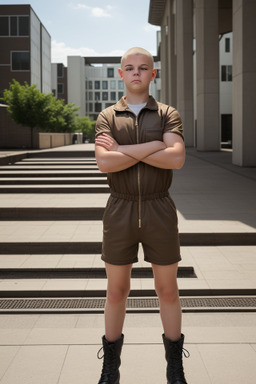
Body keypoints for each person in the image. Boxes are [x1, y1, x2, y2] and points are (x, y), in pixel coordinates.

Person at [95, 47, 188, 384]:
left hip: (158, 207)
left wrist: (122, 149)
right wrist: (154, 147)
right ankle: (110, 369)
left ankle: (174, 367)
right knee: (117, 291)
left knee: (168, 291)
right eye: (130, 68)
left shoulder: (167, 113)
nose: (136, 73)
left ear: (153, 74)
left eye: (143, 68)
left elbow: (176, 159)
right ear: (121, 73)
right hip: (119, 209)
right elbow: (104, 163)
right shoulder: (107, 116)